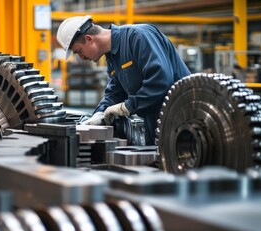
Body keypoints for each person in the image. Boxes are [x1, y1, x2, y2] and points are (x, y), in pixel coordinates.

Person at [56, 15, 191, 145]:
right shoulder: (112, 57)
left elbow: (160, 80)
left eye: (79, 51)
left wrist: (127, 107)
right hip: (156, 124)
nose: (81, 57)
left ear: (89, 39)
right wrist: (99, 113)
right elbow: (115, 92)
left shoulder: (138, 36)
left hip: (182, 118)